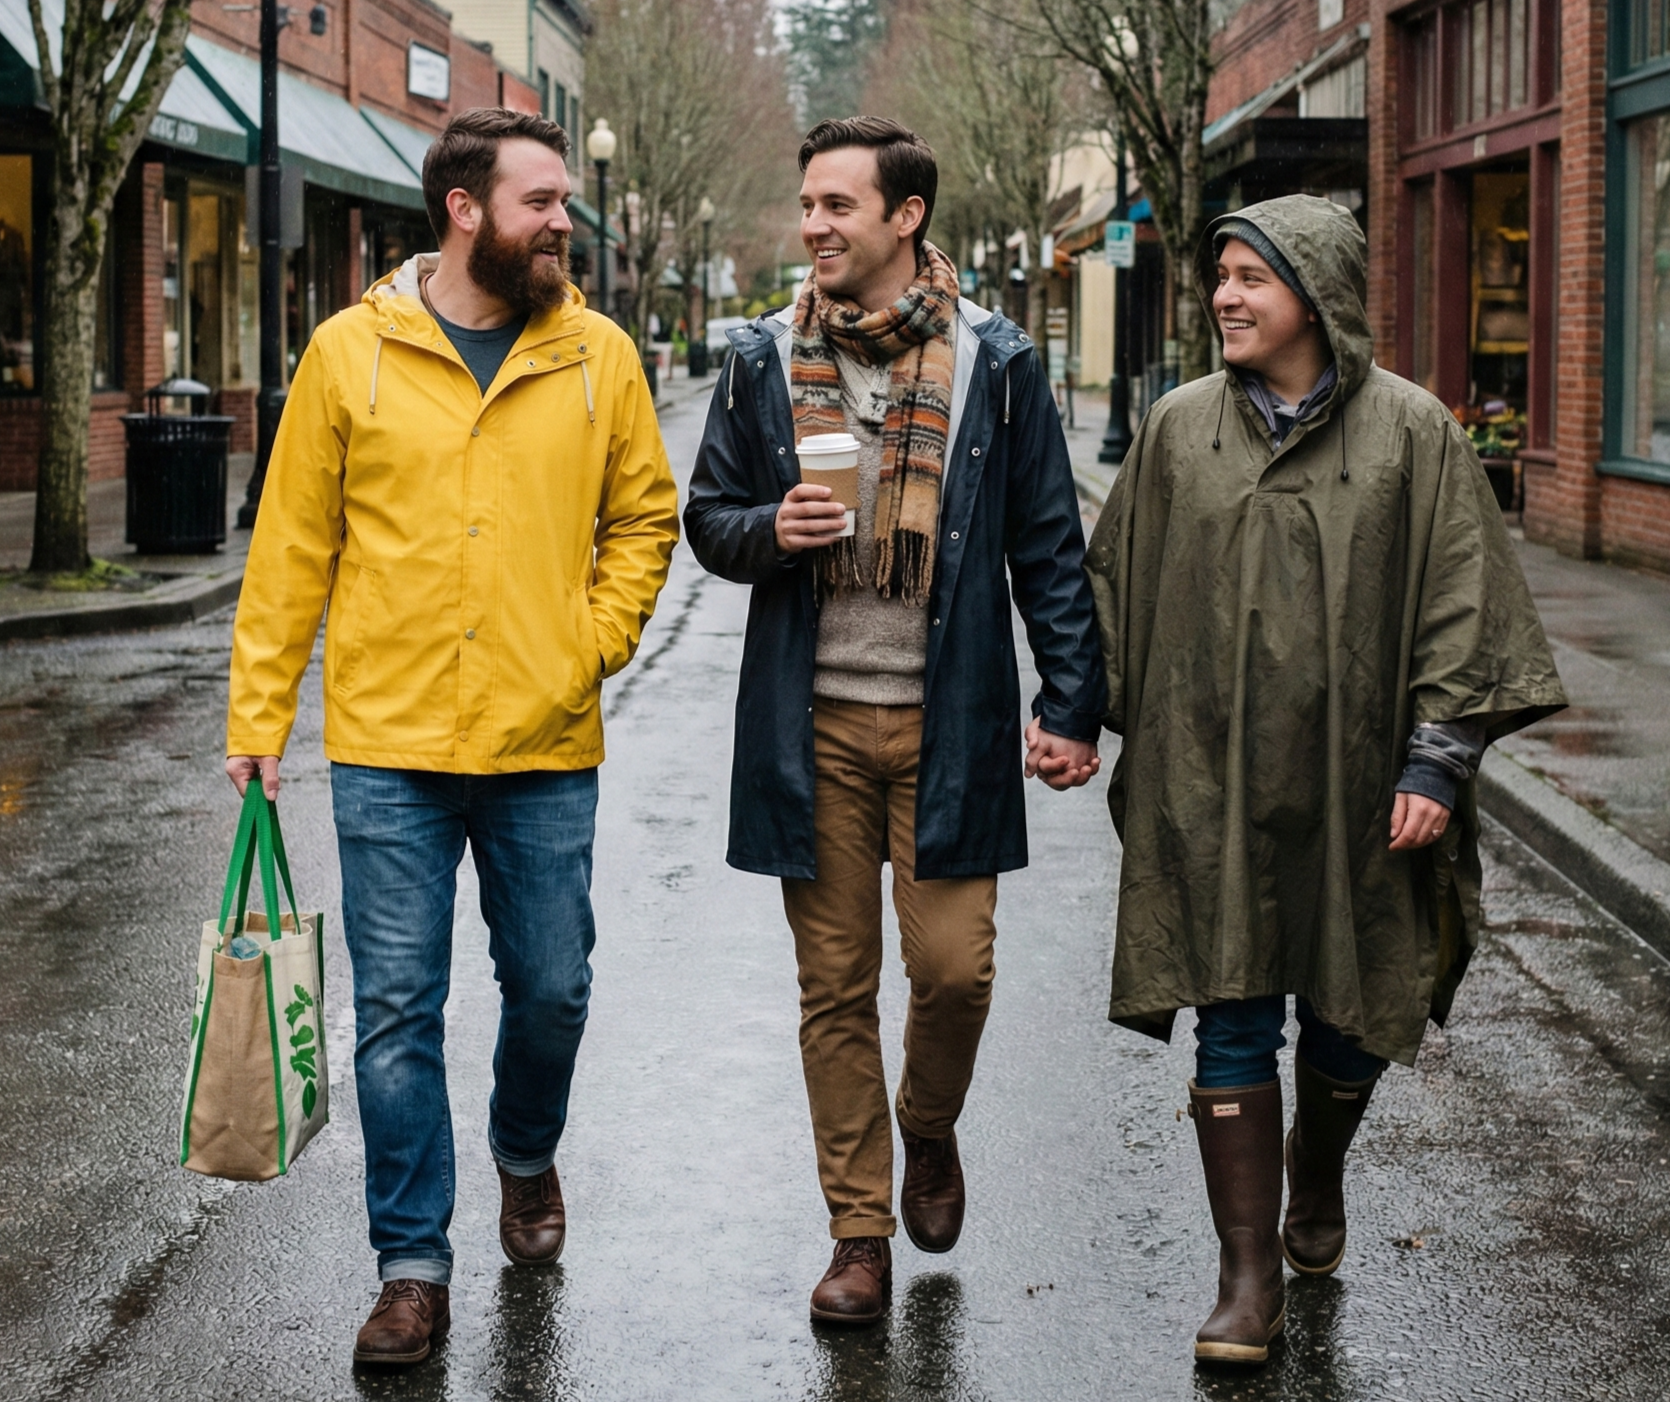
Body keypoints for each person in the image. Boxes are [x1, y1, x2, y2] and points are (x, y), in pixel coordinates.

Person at [225, 108, 678, 1366]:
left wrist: (590, 642)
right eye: (542, 201)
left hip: (545, 740)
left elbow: (645, 518)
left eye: (565, 199)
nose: (564, 221)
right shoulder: (349, 354)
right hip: (390, 745)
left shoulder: (596, 355)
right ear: (465, 210)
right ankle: (412, 1269)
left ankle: (524, 1151)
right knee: (395, 1014)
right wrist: (259, 716)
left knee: (552, 987)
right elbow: (291, 548)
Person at [1086, 194, 1564, 1366]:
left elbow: (1463, 599)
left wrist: (1438, 760)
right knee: (1233, 1004)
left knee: (1355, 1014)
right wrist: (1069, 713)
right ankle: (1247, 1278)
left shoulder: (1414, 433)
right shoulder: (1177, 430)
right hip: (1213, 782)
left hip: (1366, 784)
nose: (1225, 295)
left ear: (1318, 292)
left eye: (1251, 276)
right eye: (1221, 275)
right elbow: (1112, 588)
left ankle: (1317, 1167)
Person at [685, 116, 1106, 1325]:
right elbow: (708, 518)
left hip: (947, 724)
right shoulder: (765, 358)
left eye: (837, 206)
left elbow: (1047, 545)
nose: (812, 226)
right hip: (809, 725)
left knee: (955, 972)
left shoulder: (995, 361)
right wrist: (770, 531)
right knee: (835, 987)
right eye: (806, 205)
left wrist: (1071, 702)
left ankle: (927, 1125)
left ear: (905, 216)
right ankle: (858, 1233)